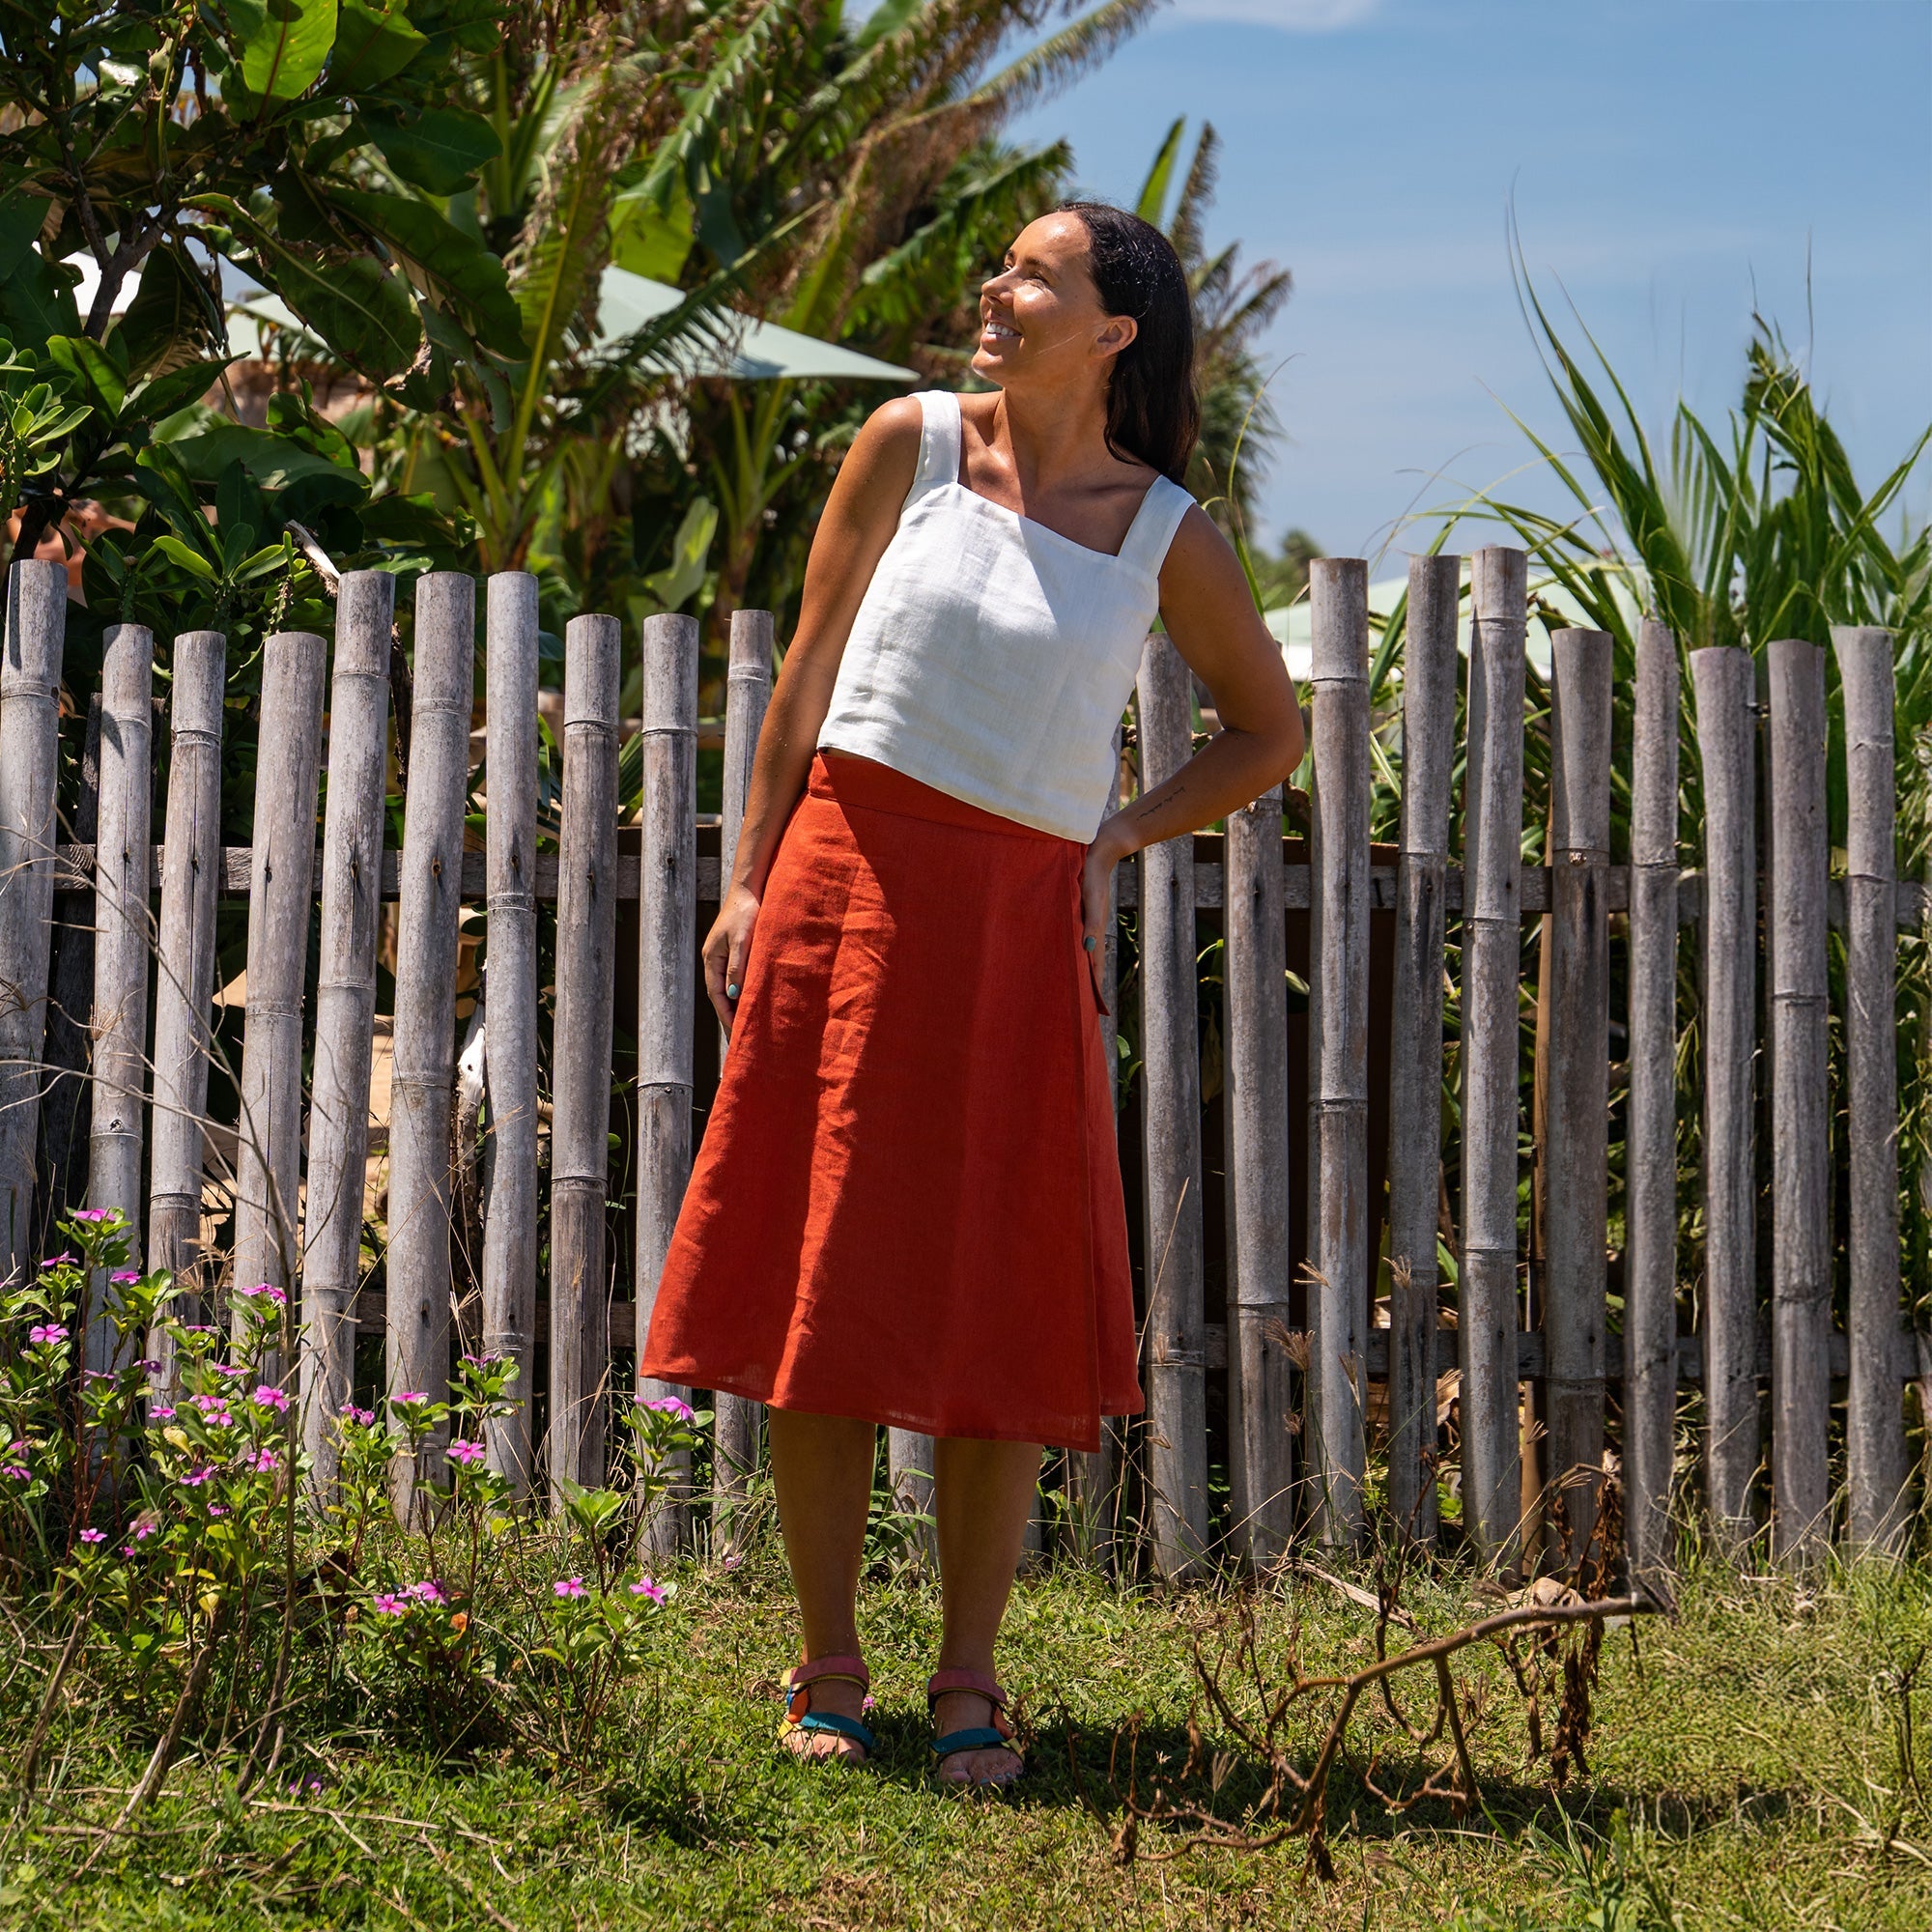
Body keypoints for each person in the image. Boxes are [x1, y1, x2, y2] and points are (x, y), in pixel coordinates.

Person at [640, 202, 1304, 1787]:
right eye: (1002, 269)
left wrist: (1121, 830)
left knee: (995, 1283)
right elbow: (806, 669)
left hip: (1015, 925)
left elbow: (1265, 731)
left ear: (1114, 330)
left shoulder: (1164, 536)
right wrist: (750, 876)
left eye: (1033, 275)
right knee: (827, 1271)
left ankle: (969, 1680)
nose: (995, 293)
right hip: (847, 882)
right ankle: (825, 1665)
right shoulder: (907, 442)